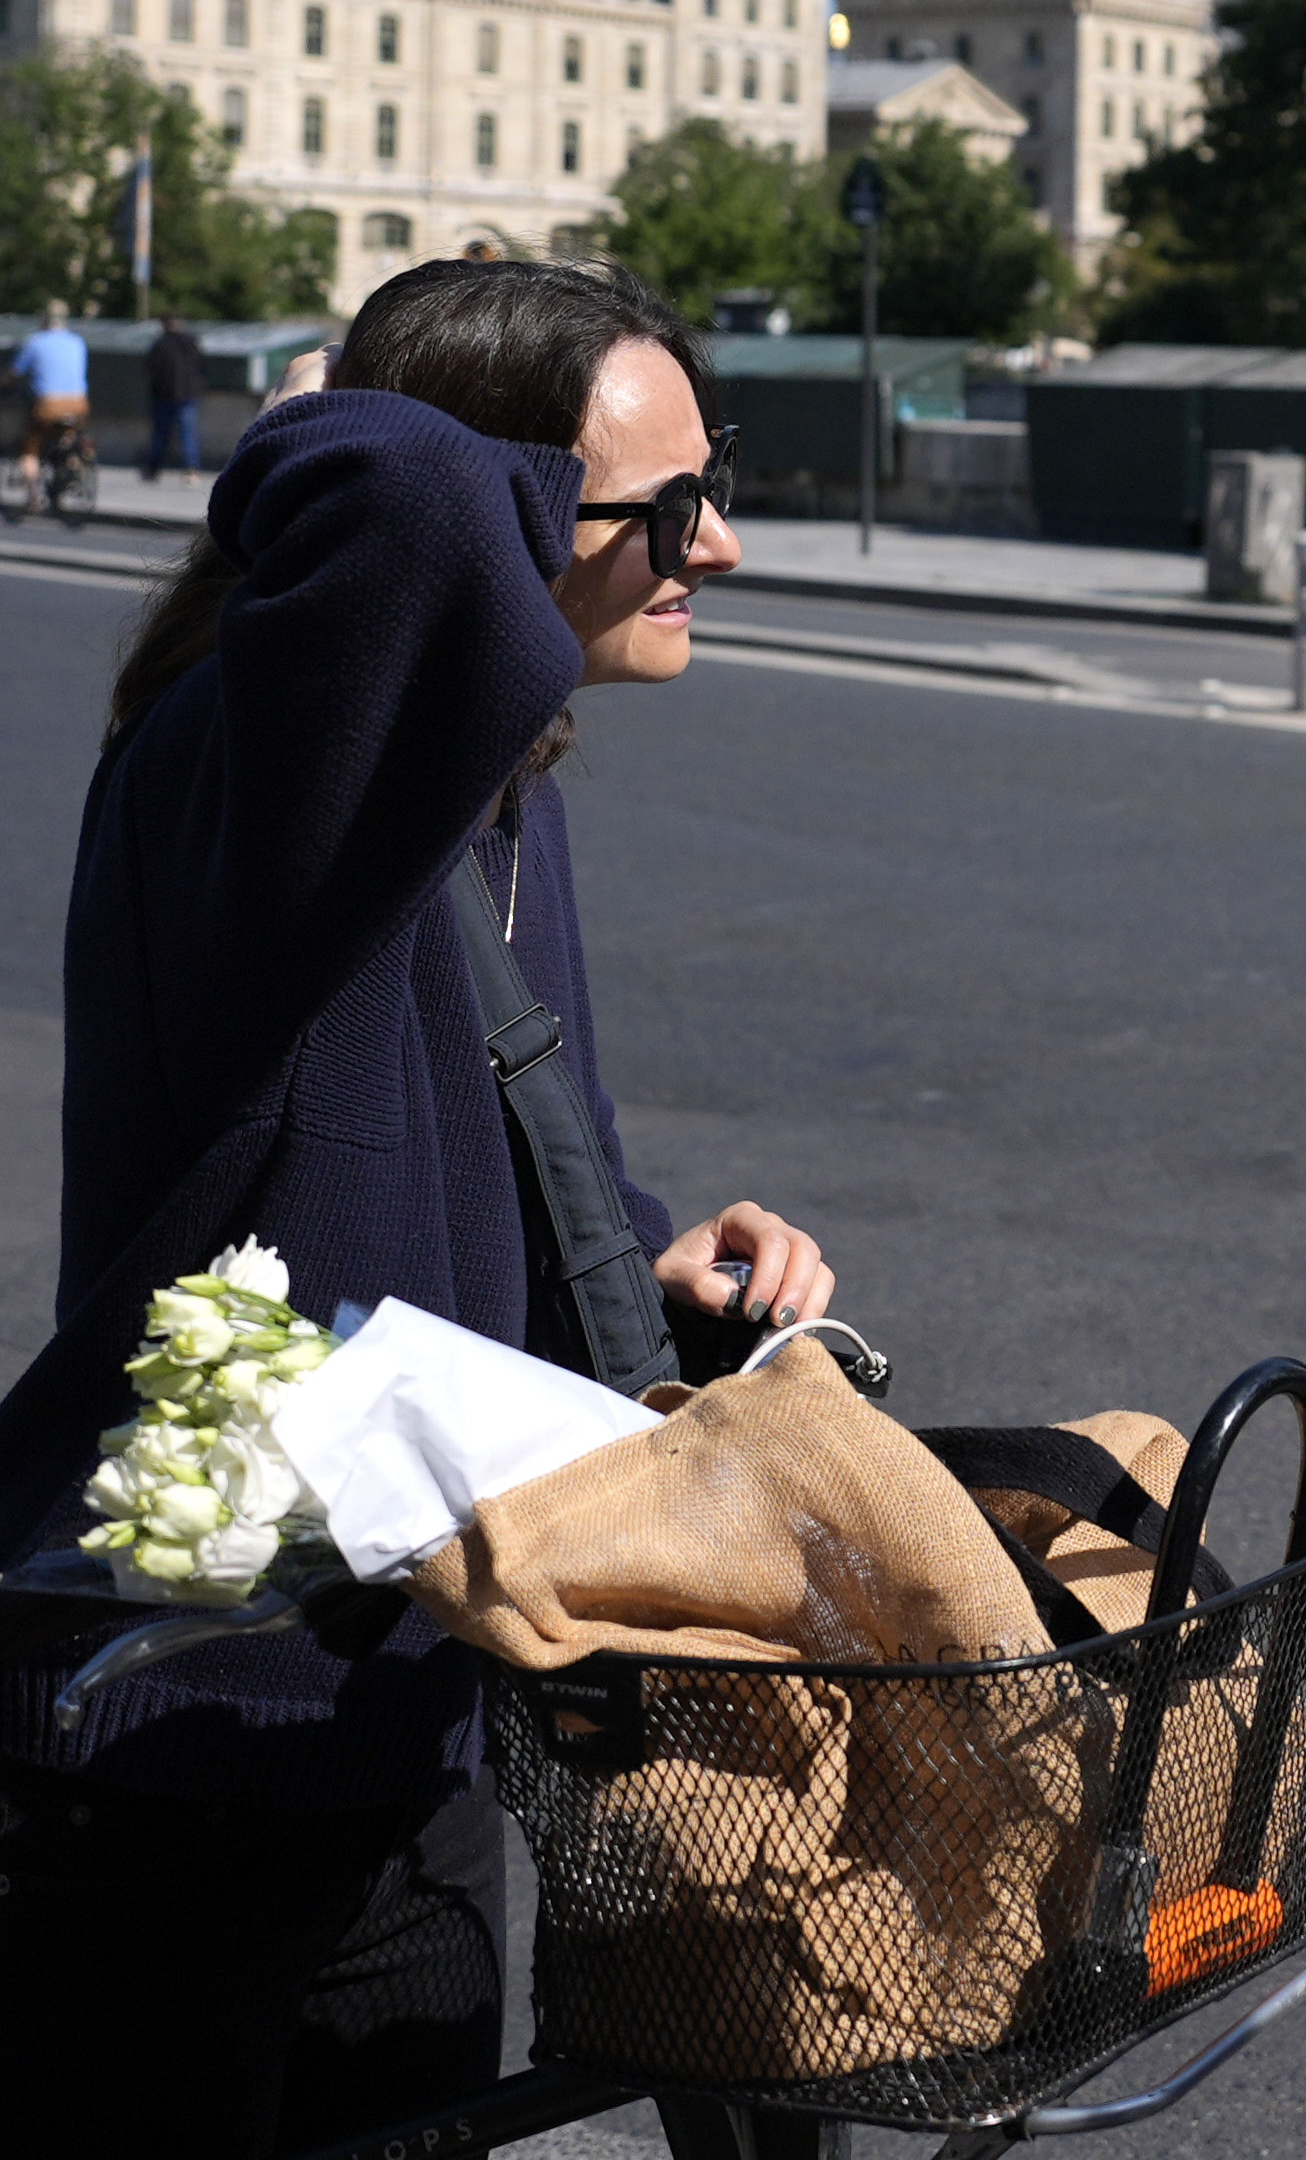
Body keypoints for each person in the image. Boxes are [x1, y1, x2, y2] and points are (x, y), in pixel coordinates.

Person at [0, 258, 847, 2155]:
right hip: (181, 1742)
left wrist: (647, 1254)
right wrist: (345, 409)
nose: (720, 547)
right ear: (507, 513)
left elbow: (515, 1140)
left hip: (404, 1720)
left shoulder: (482, 791)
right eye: (665, 505)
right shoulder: (259, 768)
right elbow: (387, 490)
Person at [16, 297, 88, 500]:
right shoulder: (77, 341)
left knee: (31, 446)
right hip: (78, 403)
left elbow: (17, 371)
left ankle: (33, 495)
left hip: (49, 404)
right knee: (69, 437)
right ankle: (73, 464)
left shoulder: (35, 341)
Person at [145, 312, 210, 481]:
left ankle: (153, 469)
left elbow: (152, 370)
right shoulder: (191, 342)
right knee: (187, 434)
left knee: (160, 435)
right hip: (188, 394)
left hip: (164, 395)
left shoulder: (160, 344)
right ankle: (191, 469)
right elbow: (202, 366)